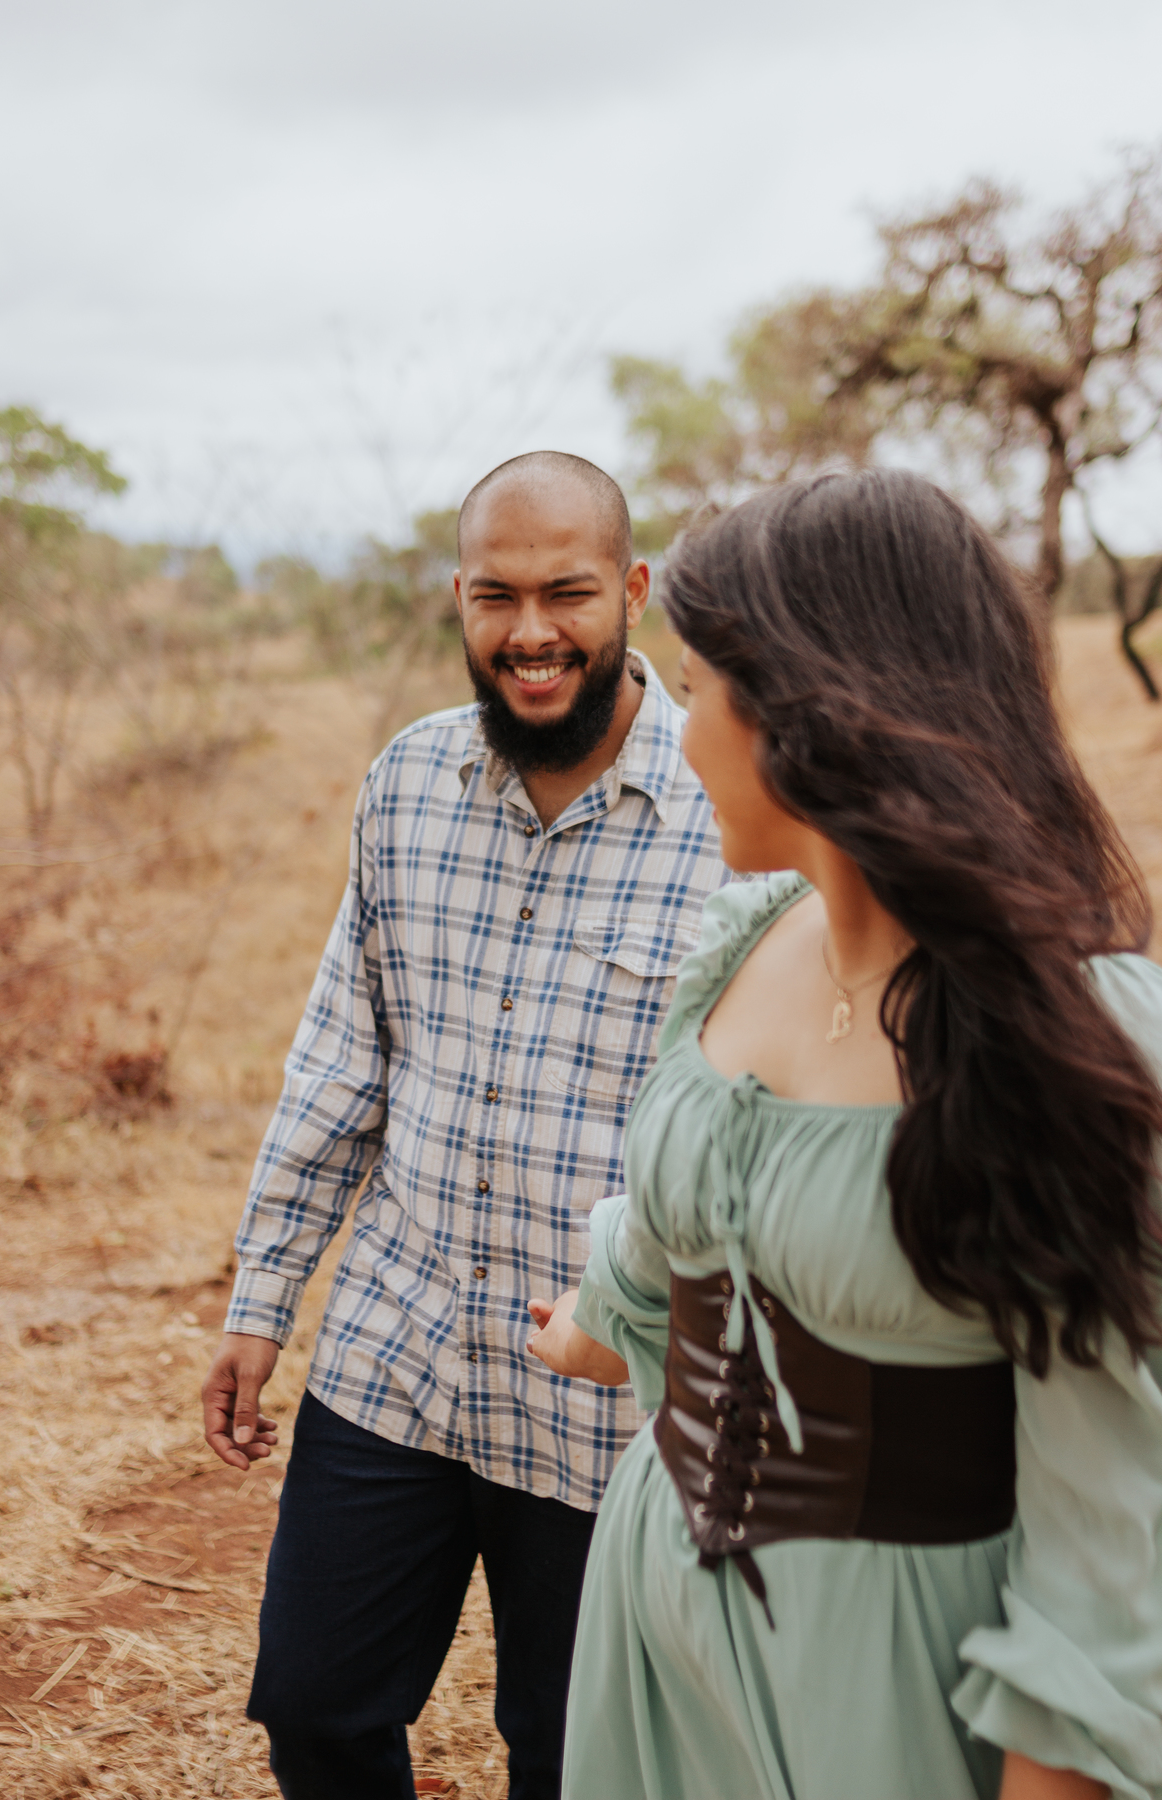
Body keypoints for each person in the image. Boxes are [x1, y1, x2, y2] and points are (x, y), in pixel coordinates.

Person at [528, 469, 1162, 1800]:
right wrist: (603, 1316)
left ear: (816, 713)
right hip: (656, 1618)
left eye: (699, 690)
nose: (679, 735)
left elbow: (1116, 1534)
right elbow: (680, 1218)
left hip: (890, 1685)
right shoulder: (742, 943)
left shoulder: (1067, 1039)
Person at [200, 450, 728, 1800]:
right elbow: (342, 1057)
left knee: (574, 1761)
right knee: (314, 1710)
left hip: (604, 1397)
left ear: (635, 592)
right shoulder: (411, 780)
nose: (532, 633)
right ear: (459, 597)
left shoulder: (731, 813)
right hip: (398, 1354)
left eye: (568, 594)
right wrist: (263, 1299)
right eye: (497, 596)